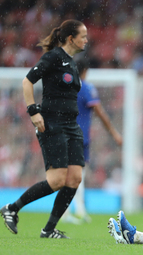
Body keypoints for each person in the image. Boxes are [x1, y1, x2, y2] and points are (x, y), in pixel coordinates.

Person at [0, 20, 88, 239]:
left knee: (75, 178)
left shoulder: (71, 62)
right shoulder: (53, 57)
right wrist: (33, 111)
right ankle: (12, 207)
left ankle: (48, 229)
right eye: (83, 36)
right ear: (71, 38)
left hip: (71, 125)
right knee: (57, 180)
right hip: (53, 123)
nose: (86, 40)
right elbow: (27, 82)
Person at [61, 58, 122, 224]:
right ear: (85, 70)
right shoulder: (86, 88)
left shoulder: (65, 88)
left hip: (65, 135)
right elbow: (100, 113)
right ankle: (72, 212)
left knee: (72, 173)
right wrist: (114, 133)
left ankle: (75, 211)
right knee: (76, 174)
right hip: (79, 137)